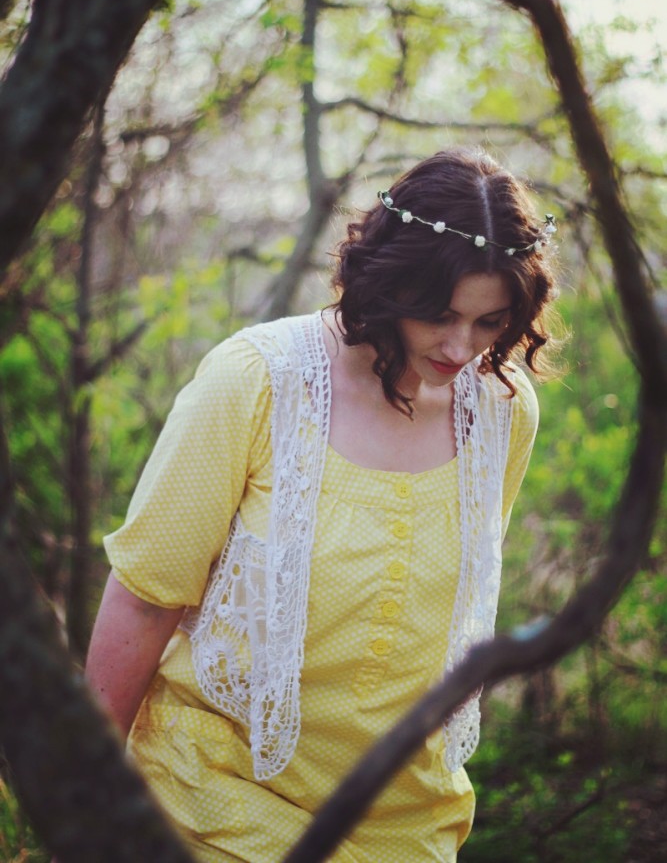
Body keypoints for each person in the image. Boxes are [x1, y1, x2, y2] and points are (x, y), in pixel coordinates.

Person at [85, 148, 558, 862]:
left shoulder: (502, 413)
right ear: (389, 282)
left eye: (490, 322)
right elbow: (145, 602)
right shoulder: (256, 381)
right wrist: (83, 809)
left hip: (407, 821)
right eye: (439, 315)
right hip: (214, 800)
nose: (462, 346)